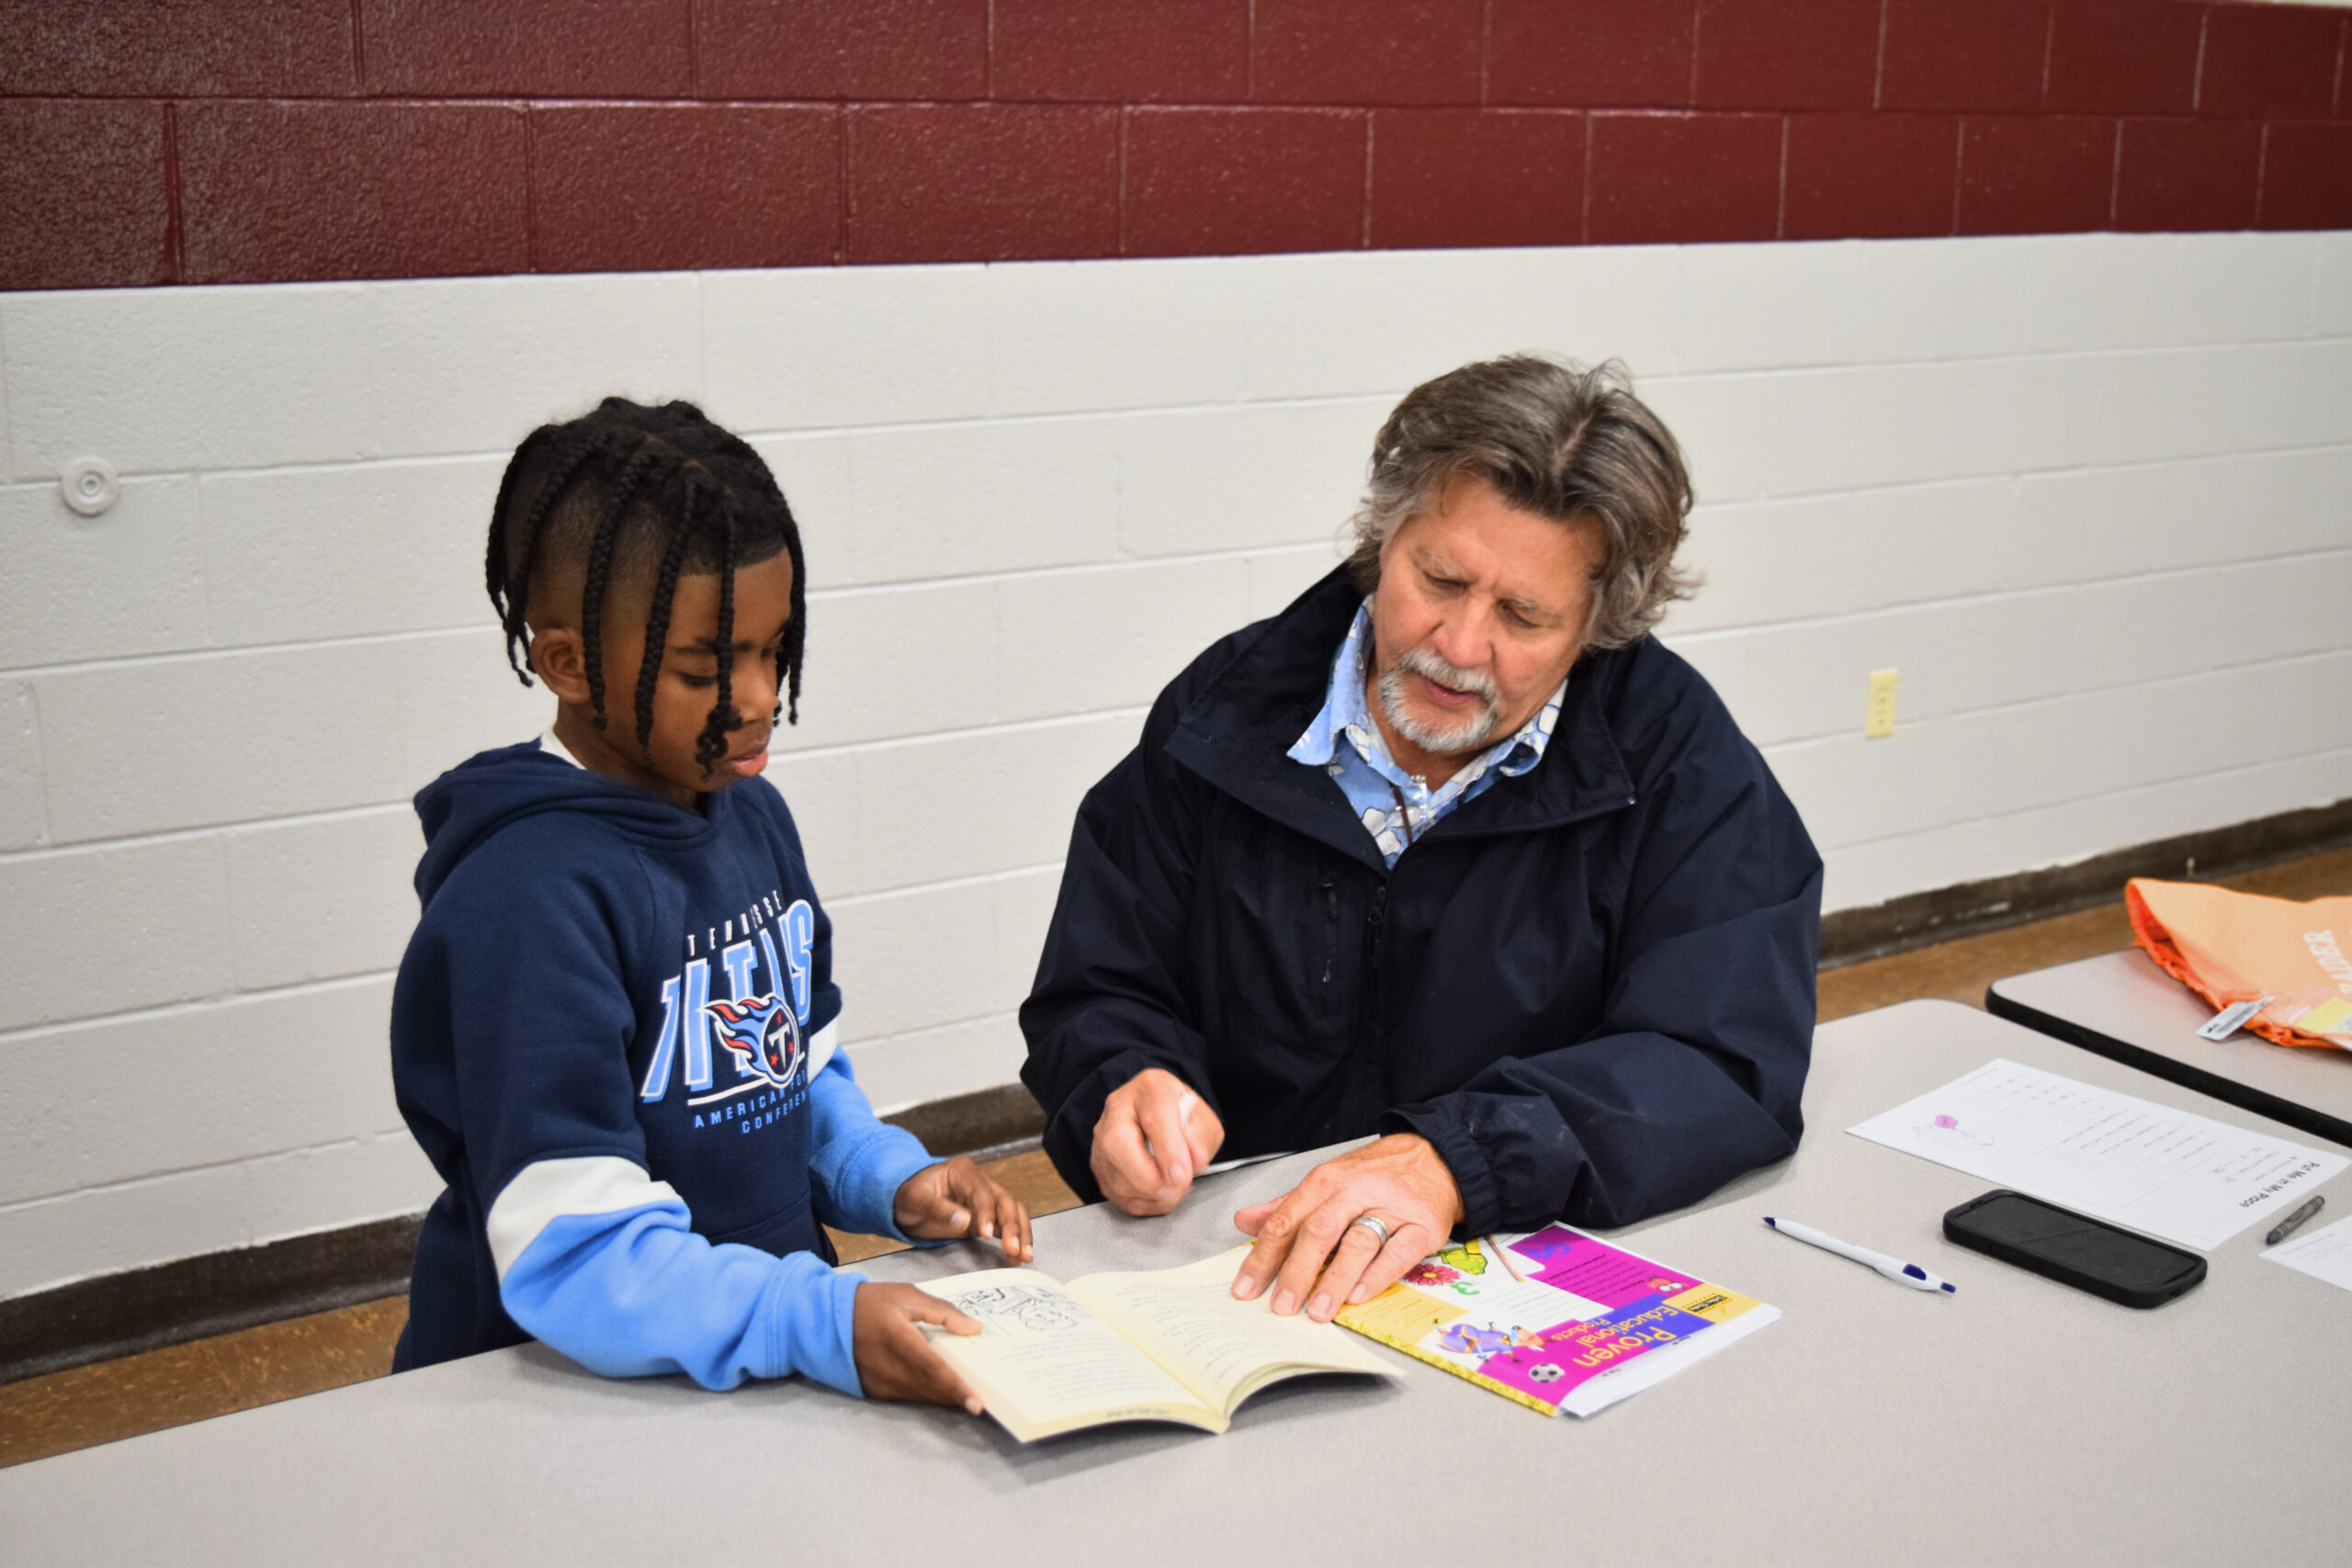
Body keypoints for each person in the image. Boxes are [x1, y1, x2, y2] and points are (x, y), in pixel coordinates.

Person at [1021, 355, 1821, 1325]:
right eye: (1437, 578)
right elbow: (1099, 987)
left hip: (1511, 1270)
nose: (1459, 645)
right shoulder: (1225, 715)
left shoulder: (1675, 758)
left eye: (1524, 615)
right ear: (1384, 538)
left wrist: (1459, 1160)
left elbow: (1723, 1056)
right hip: (1235, 1275)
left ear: (1598, 626)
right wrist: (1121, 1084)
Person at [390, 397, 1029, 1413]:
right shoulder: (527, 898)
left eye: (775, 651)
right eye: (705, 668)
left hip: (751, 1364)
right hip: (555, 1399)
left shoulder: (751, 817)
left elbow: (788, 1076)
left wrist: (885, 1177)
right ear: (566, 663)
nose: (759, 695)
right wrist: (813, 1318)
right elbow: (581, 1256)